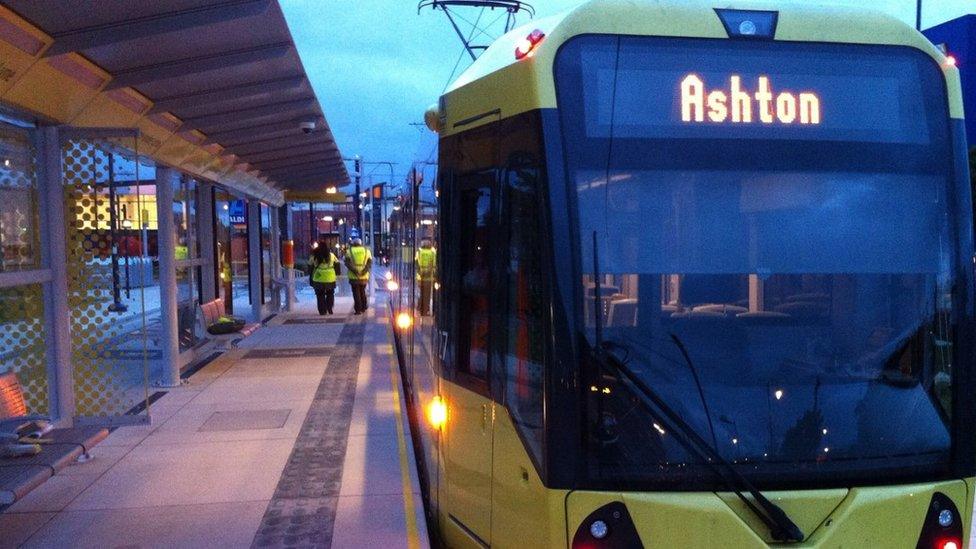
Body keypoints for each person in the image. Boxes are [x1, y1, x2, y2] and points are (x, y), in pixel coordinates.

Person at [310, 238, 340, 315]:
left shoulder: (314, 255)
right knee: (330, 293)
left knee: (320, 295)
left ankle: (322, 311)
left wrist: (311, 278)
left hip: (318, 277)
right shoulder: (331, 255)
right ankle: (329, 308)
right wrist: (337, 274)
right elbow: (337, 264)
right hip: (330, 278)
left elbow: (310, 266)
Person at [345, 237, 372, 315]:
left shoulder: (349, 251)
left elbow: (347, 263)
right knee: (362, 291)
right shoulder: (367, 251)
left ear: (353, 244)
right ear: (361, 244)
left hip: (353, 276)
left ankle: (358, 309)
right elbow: (369, 263)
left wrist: (355, 271)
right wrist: (363, 271)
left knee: (356, 292)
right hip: (364, 276)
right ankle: (364, 307)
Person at [415, 238, 436, 315]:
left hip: (420, 276)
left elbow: (416, 264)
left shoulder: (419, 252)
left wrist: (419, 274)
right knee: (427, 294)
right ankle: (425, 310)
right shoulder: (432, 252)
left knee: (421, 292)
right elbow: (435, 264)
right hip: (429, 277)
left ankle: (419, 307)